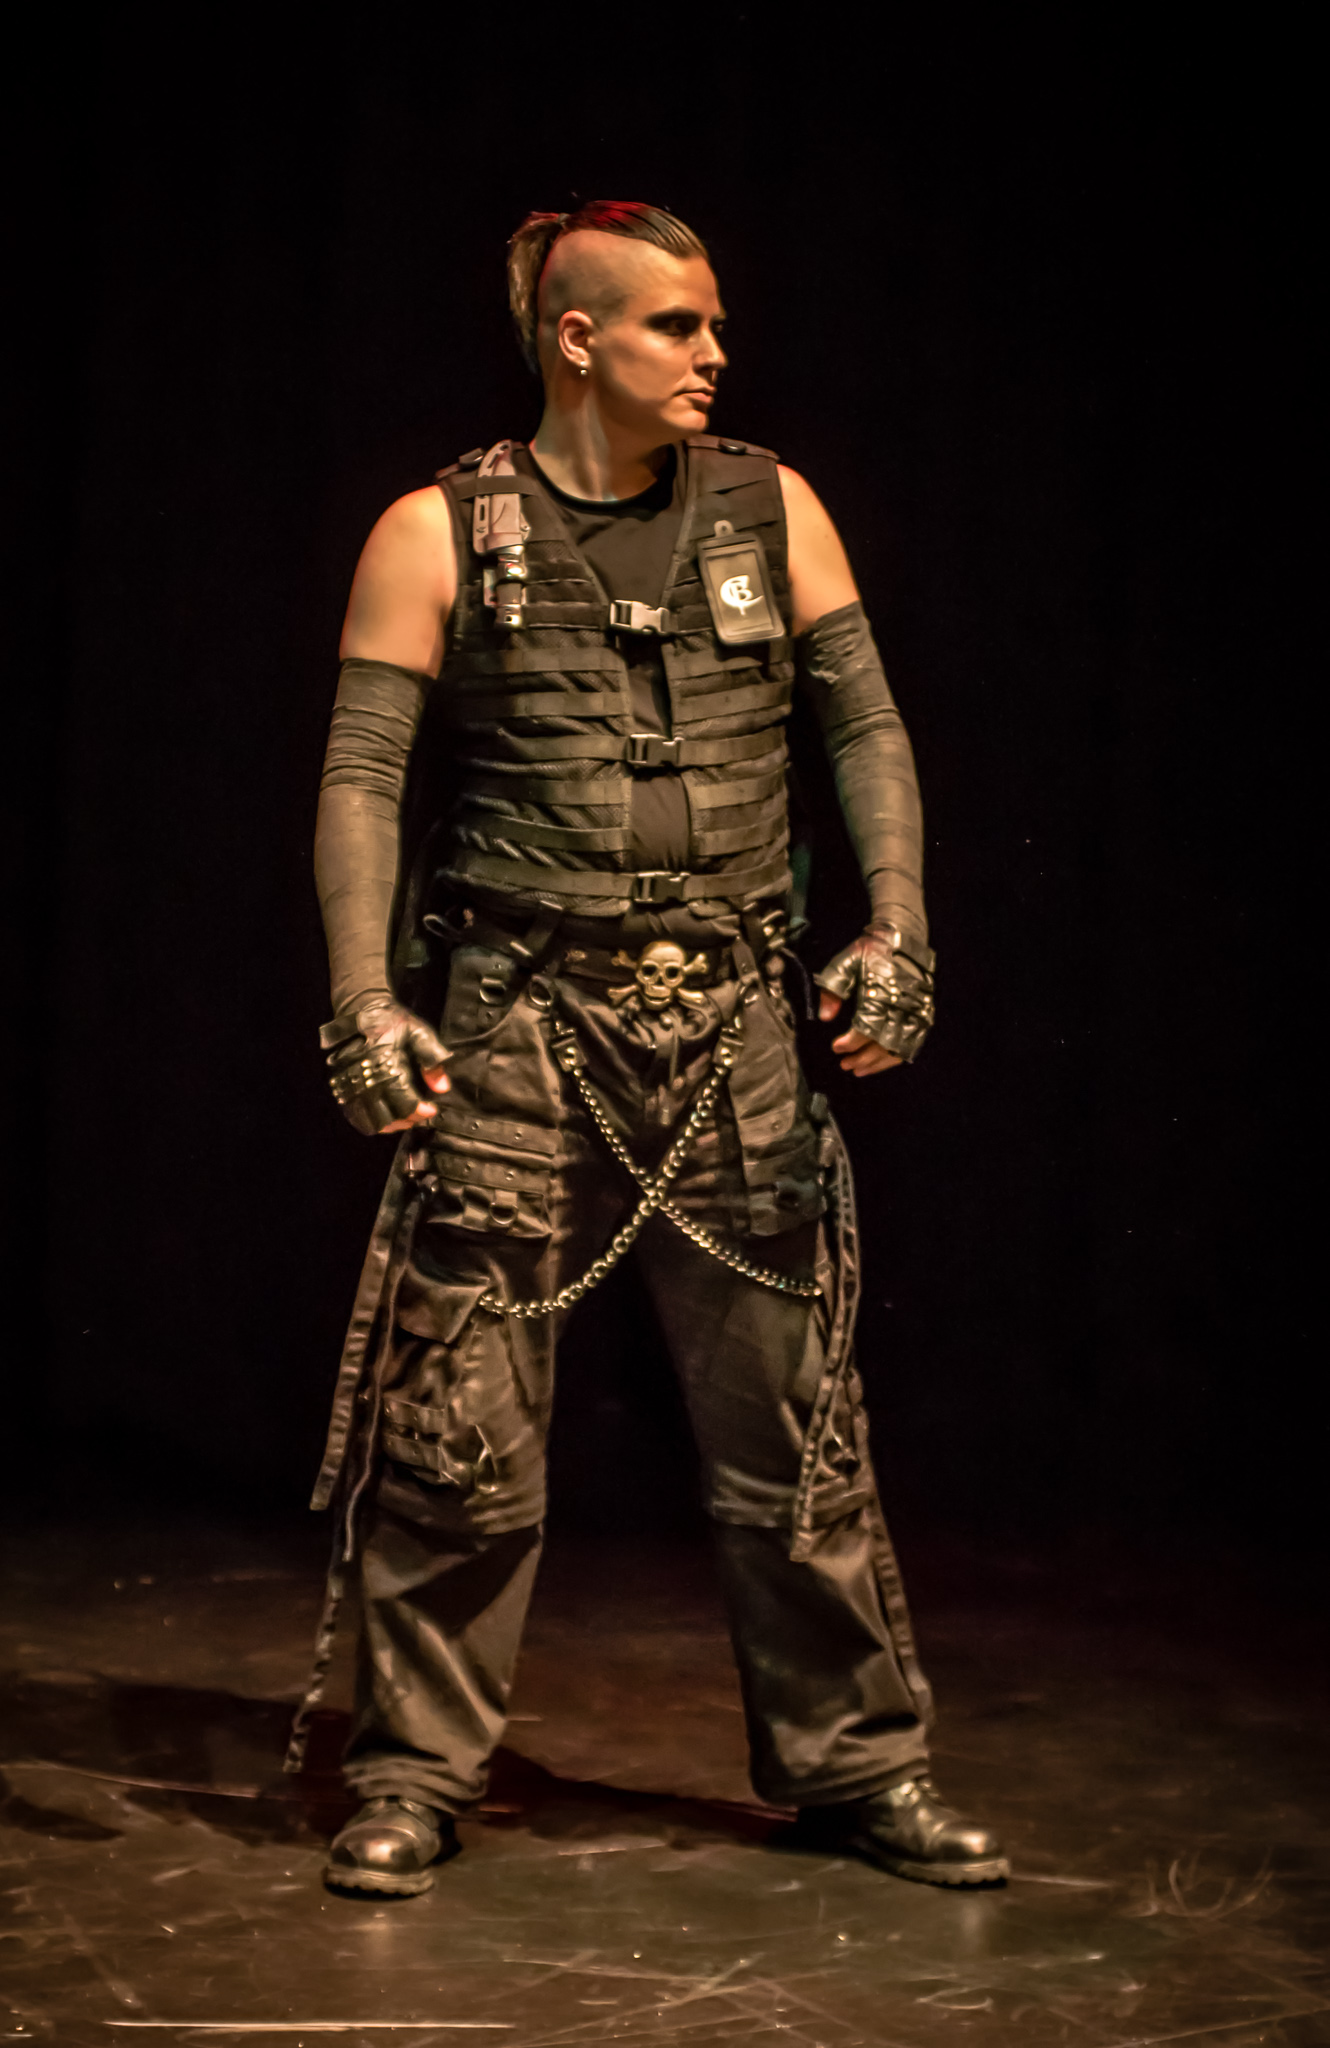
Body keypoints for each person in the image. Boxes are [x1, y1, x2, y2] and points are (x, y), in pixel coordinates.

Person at [298, 200, 1008, 1898]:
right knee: (459, 1427)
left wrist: (898, 926)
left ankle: (858, 1768)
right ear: (577, 337)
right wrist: (362, 999)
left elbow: (864, 725)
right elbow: (363, 778)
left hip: (732, 1032)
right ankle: (411, 1772)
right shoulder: (435, 532)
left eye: (712, 327)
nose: (712, 356)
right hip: (520, 1024)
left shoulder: (774, 508)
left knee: (795, 1428)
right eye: (675, 327)